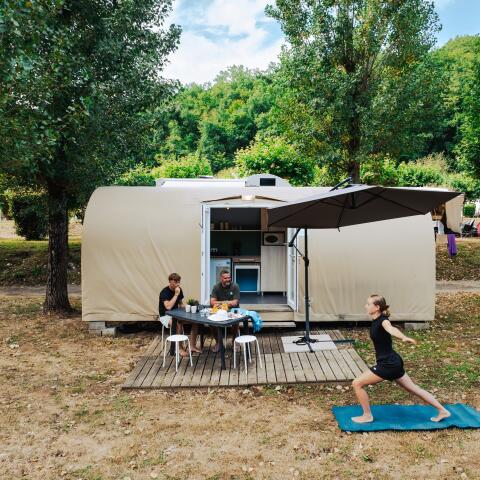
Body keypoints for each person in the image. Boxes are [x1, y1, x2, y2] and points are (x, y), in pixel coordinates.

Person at [351, 294, 451, 424]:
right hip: (392, 361)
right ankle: (443, 410)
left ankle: (367, 416)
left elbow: (391, 329)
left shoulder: (383, 321)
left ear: (377, 307)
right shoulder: (376, 320)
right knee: (414, 388)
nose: (366, 306)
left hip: (388, 364)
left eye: (368, 304)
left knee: (357, 383)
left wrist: (403, 337)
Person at [159, 273, 201, 356]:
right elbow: (168, 307)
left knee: (195, 321)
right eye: (176, 282)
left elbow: (180, 304)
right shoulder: (164, 292)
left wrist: (189, 308)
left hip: (177, 314)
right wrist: (176, 294)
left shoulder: (179, 289)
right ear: (170, 281)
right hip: (165, 316)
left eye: (179, 282)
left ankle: (192, 346)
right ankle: (179, 348)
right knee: (178, 323)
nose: (178, 284)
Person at [210, 270, 240, 352]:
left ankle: (234, 342)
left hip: (232, 310)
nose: (228, 280)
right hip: (220, 311)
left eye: (229, 277)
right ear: (221, 278)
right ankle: (218, 342)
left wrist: (219, 303)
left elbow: (235, 303)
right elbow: (212, 302)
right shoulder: (216, 287)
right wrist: (227, 302)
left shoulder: (235, 286)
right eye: (225, 278)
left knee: (235, 322)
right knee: (211, 323)